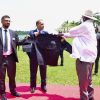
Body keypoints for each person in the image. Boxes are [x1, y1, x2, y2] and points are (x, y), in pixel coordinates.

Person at [62, 10, 97, 100]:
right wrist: (64, 34)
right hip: (89, 58)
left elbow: (72, 31)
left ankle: (84, 98)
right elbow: (75, 34)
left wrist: (65, 34)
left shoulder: (85, 25)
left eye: (83, 17)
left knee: (83, 82)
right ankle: (91, 97)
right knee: (88, 81)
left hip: (84, 59)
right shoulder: (90, 26)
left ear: (85, 17)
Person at [0, 15, 26, 100]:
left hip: (11, 58)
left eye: (9, 21)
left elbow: (18, 42)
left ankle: (13, 91)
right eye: (6, 20)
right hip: (1, 58)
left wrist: (28, 38)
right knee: (1, 77)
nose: (8, 22)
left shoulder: (13, 32)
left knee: (12, 76)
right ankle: (3, 93)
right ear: (2, 21)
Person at [28, 19, 48, 93]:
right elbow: (28, 40)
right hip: (33, 56)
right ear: (37, 25)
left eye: (43, 24)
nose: (43, 25)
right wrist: (34, 35)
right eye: (41, 24)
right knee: (33, 72)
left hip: (43, 56)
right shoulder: (31, 32)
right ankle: (33, 86)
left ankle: (43, 86)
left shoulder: (46, 33)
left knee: (43, 72)